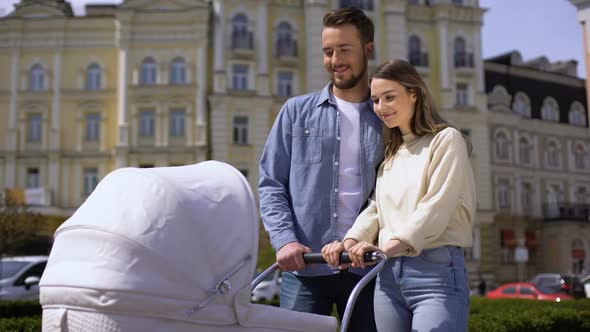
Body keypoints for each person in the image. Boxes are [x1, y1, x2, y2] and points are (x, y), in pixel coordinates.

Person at [322, 59, 476, 332]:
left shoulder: (445, 140)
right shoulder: (392, 155)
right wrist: (348, 242)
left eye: (390, 97)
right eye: (376, 100)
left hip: (435, 274)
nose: (381, 107)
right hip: (388, 277)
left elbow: (435, 207)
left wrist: (385, 248)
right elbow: (376, 209)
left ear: (414, 94)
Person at [258, 7, 383, 332]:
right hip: (306, 269)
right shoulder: (295, 112)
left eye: (344, 49)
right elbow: (272, 183)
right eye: (328, 51)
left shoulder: (388, 119)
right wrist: (284, 241)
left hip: (368, 270)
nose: (335, 59)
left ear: (367, 50)